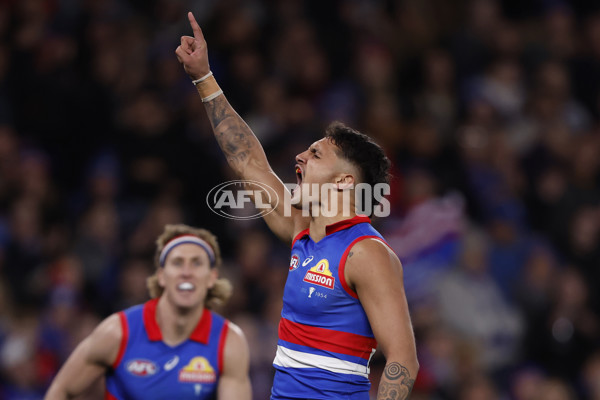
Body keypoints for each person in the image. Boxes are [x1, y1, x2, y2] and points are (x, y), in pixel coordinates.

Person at [176, 12, 419, 400]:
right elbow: (248, 161)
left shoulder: (366, 252)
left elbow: (402, 359)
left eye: (316, 154)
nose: (300, 158)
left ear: (344, 182)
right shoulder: (301, 227)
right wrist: (204, 77)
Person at [45, 224, 251, 400]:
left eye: (197, 263)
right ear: (161, 276)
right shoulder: (118, 332)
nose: (187, 272)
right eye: (177, 263)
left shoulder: (228, 342)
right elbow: (61, 390)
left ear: (211, 277)